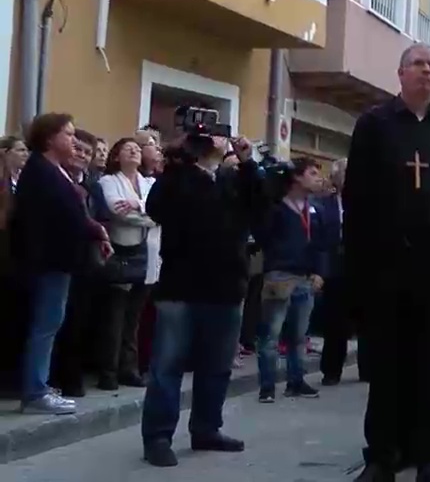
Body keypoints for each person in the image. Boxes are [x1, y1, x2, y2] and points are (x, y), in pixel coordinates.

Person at [346, 43, 430, 482]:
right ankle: (382, 455)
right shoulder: (374, 125)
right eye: (419, 64)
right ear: (400, 73)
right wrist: (358, 268)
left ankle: (428, 456)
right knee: (385, 367)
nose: (427, 71)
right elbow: (356, 199)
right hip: (385, 268)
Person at [141, 131, 263, 467]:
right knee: (167, 366)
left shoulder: (233, 180)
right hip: (181, 286)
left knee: (217, 366)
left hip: (225, 287)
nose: (214, 140)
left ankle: (207, 428)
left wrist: (249, 162)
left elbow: (262, 206)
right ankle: (158, 436)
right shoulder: (179, 178)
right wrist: (180, 160)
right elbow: (156, 208)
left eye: (218, 133)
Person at [11, 113, 111, 415]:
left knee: (50, 324)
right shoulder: (41, 171)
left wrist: (94, 230)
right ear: (49, 138)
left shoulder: (54, 171)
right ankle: (35, 391)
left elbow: (75, 214)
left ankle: (37, 385)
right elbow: (54, 219)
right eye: (67, 134)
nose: (73, 140)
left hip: (60, 261)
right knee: (45, 325)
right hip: (49, 262)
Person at [254, 157, 331, 403]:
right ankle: (267, 386)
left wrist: (319, 272)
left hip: (305, 278)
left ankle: (295, 381)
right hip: (280, 276)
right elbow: (264, 236)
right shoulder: (277, 209)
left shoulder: (314, 209)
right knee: (271, 335)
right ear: (296, 177)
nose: (318, 178)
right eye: (312, 172)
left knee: (299, 336)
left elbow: (321, 245)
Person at [96, 137, 160, 391]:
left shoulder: (149, 183)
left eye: (136, 148)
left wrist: (138, 205)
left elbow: (160, 211)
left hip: (148, 254)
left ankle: (129, 368)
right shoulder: (108, 182)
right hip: (121, 251)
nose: (134, 151)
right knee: (115, 316)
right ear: (116, 156)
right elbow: (117, 211)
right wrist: (149, 214)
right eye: (127, 148)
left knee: (134, 317)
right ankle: (108, 370)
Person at [316, 158, 366, 385]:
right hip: (335, 270)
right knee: (335, 323)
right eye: (345, 173)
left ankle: (368, 369)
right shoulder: (322, 204)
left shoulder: (368, 204)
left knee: (367, 322)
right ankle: (331, 370)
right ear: (336, 178)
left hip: (363, 268)